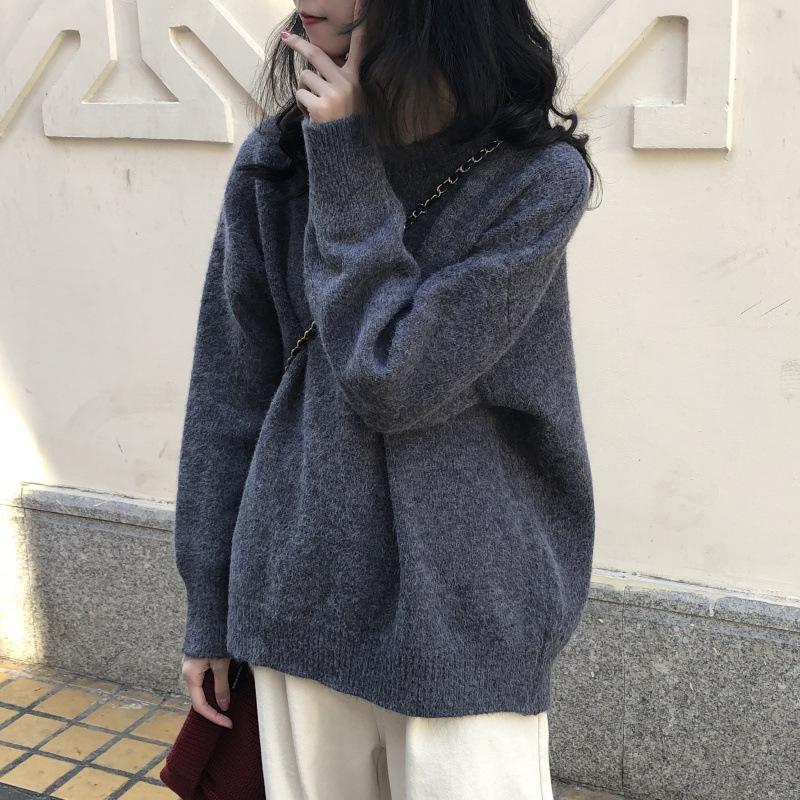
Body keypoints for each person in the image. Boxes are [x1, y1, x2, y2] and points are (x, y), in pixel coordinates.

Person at [173, 0, 601, 797]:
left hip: (464, 620)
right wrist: (208, 607)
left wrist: (343, 161)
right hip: (297, 598)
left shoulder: (532, 181)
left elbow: (394, 377)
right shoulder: (278, 162)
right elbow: (228, 393)